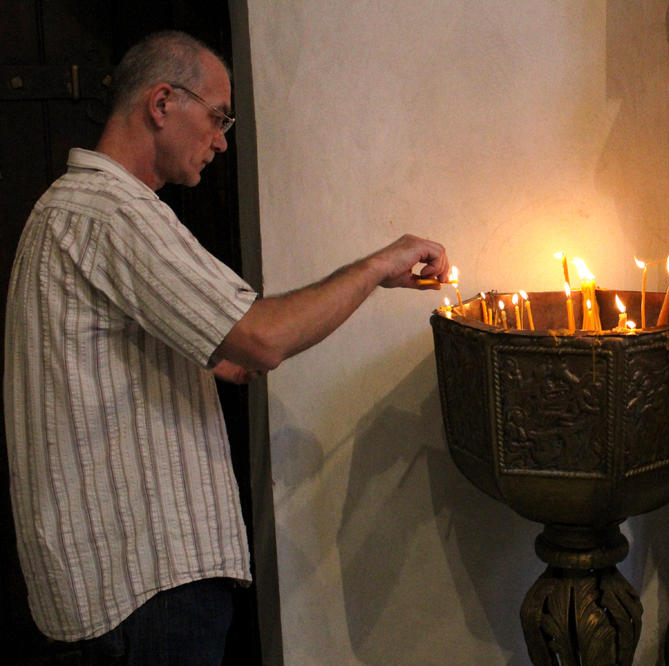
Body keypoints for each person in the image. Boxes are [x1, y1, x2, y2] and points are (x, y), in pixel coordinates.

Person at [2, 30, 449, 663]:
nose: (221, 140)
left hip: (114, 583)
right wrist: (379, 264)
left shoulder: (68, 210)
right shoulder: (109, 211)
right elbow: (260, 339)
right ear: (162, 102)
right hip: (141, 585)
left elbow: (218, 353)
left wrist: (223, 355)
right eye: (216, 117)